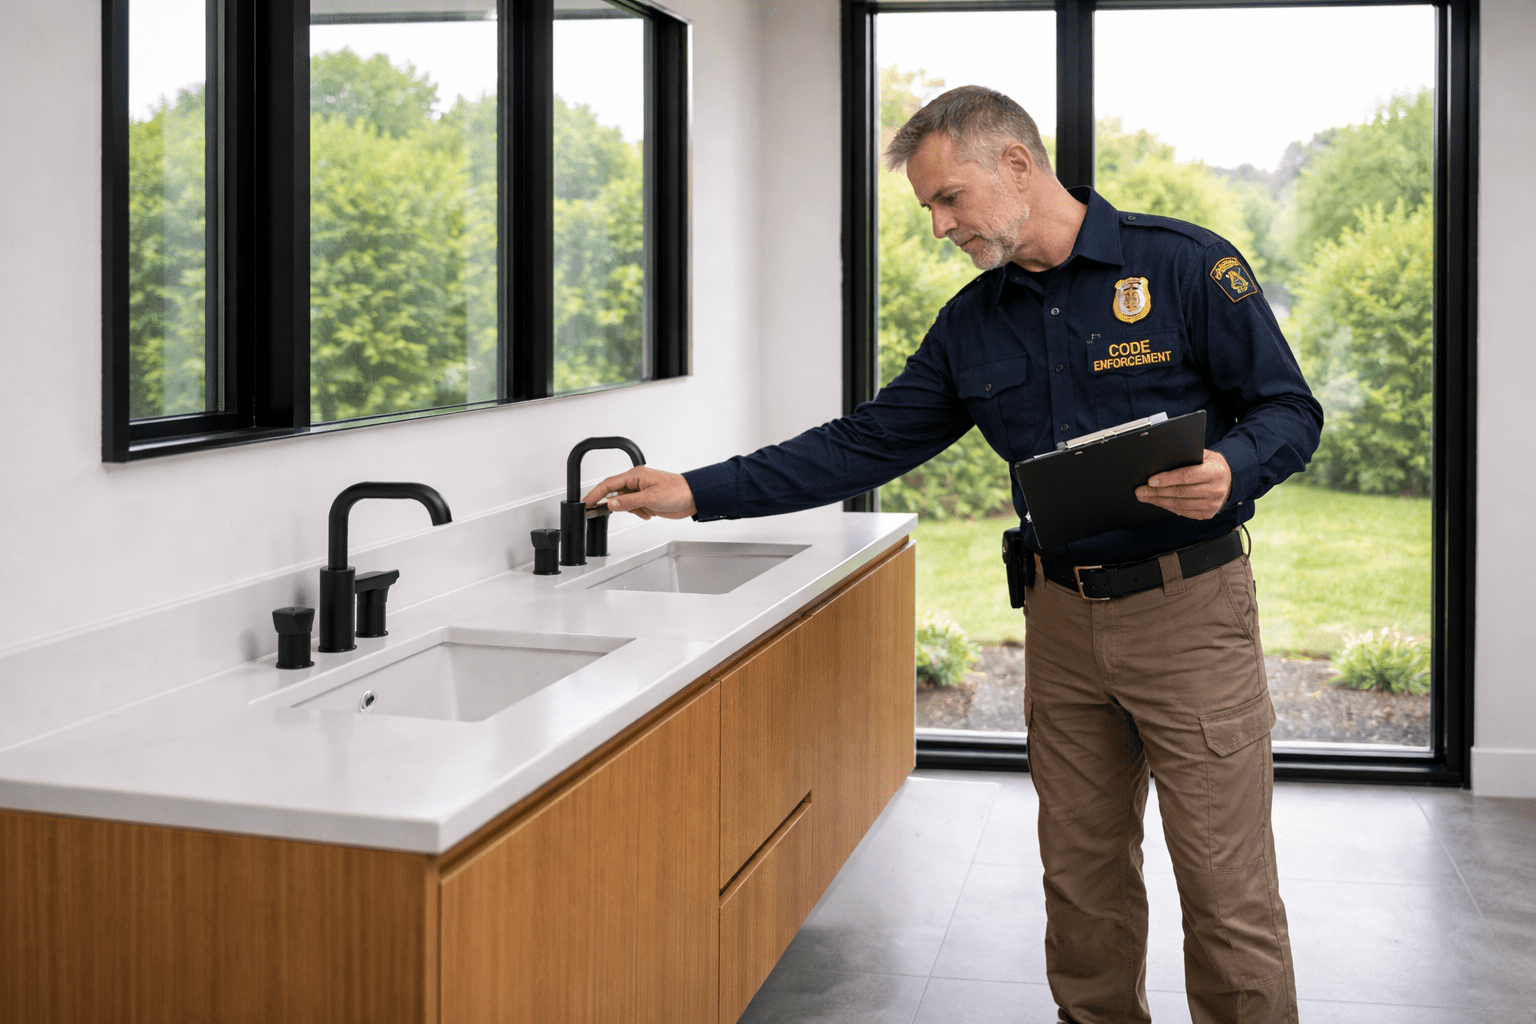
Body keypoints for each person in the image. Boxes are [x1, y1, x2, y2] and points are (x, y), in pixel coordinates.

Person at [583, 85, 1321, 1024]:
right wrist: (699, 491)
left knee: (1227, 894)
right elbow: (865, 442)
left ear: (1016, 165)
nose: (939, 227)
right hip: (1059, 623)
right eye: (930, 207)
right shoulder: (974, 322)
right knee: (1082, 891)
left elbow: (1291, 410)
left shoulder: (1184, 267)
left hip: (1190, 615)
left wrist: (1231, 467)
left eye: (948, 199)